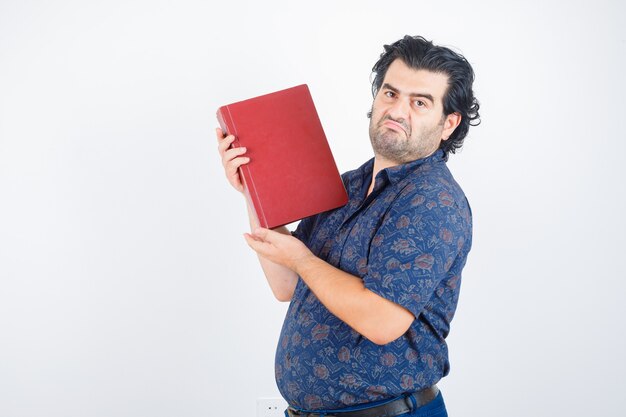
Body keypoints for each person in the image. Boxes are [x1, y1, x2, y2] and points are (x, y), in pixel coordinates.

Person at [216, 35, 480, 417]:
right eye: (390, 93)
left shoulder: (432, 201)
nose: (397, 110)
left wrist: (303, 260)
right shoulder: (348, 186)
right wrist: (252, 189)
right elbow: (286, 283)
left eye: (419, 102)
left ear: (448, 124)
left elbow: (382, 320)